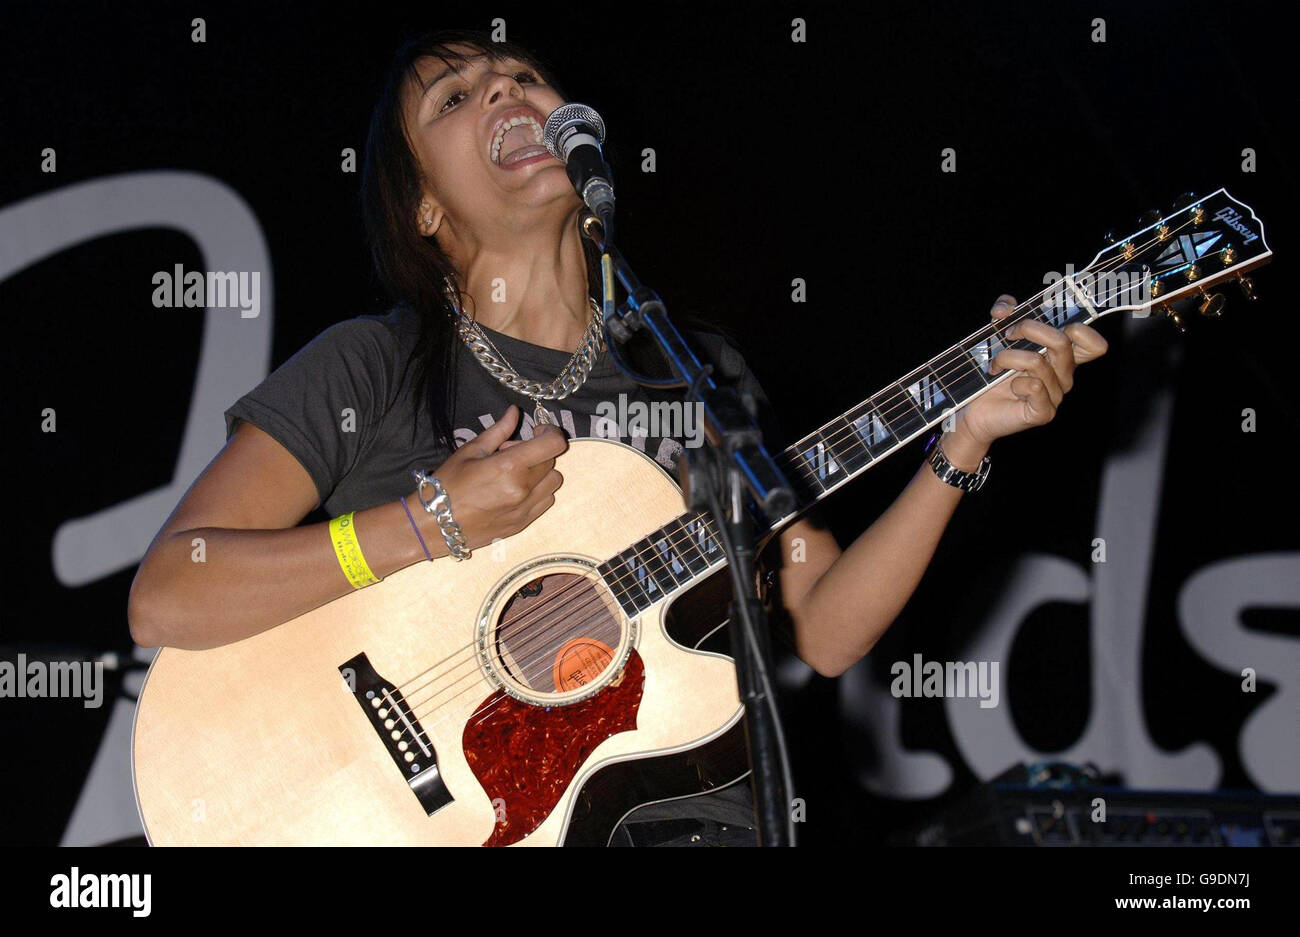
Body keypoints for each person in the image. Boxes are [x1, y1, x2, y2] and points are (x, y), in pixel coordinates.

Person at [126, 29, 1108, 846]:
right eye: (457, 96)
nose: (506, 90)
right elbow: (169, 592)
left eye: (521, 75)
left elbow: (823, 624)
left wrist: (961, 442)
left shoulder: (695, 370)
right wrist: (426, 524)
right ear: (423, 207)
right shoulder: (370, 364)